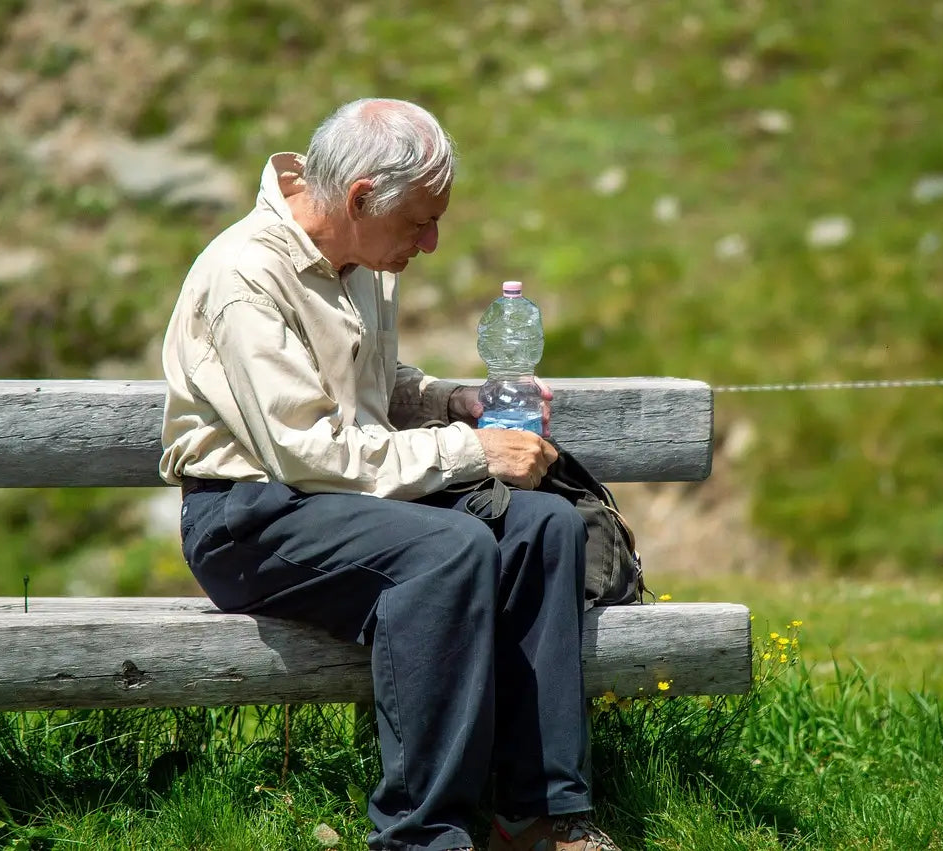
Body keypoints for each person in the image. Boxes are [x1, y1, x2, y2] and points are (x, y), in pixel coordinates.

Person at [159, 98, 619, 851]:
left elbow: (373, 387)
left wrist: (455, 402)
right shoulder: (245, 275)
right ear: (362, 196)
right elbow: (307, 450)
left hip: (344, 500)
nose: (431, 243)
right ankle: (421, 834)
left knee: (546, 525)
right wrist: (475, 452)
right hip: (249, 518)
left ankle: (539, 814)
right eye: (419, 222)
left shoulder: (360, 256)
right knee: (448, 550)